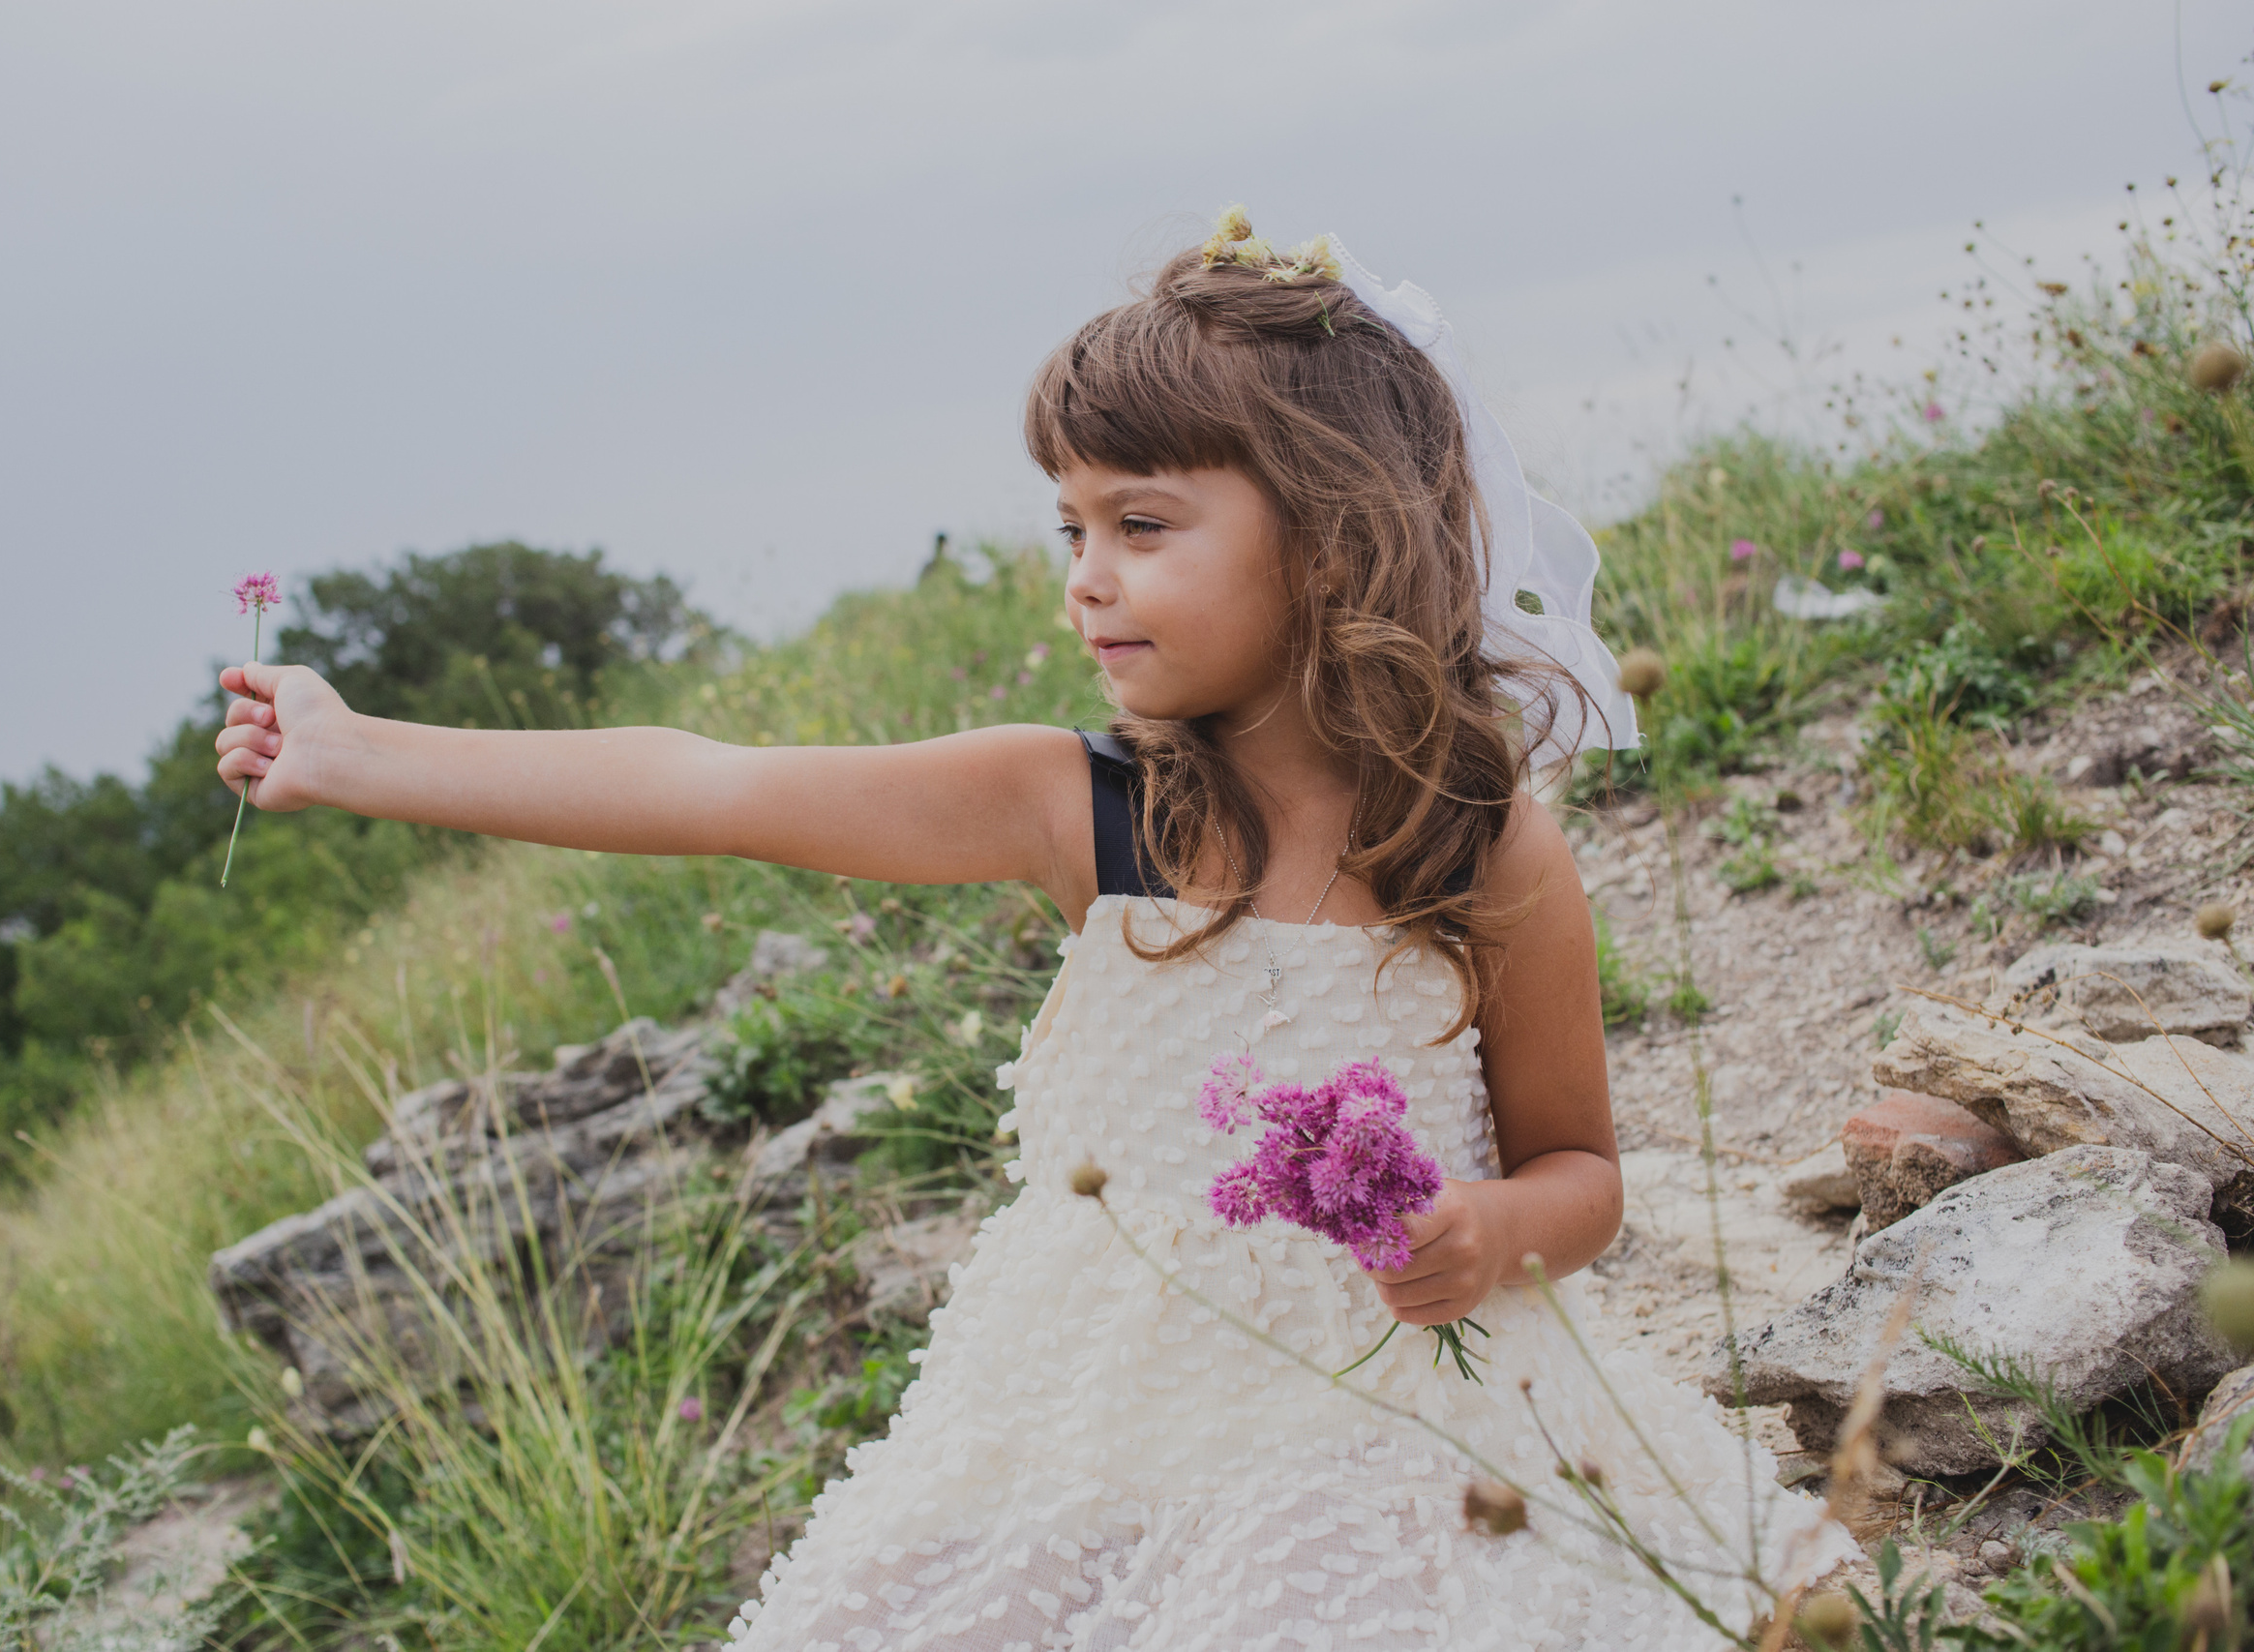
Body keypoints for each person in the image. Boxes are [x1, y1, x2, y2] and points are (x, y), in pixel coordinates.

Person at [216, 212, 1849, 1649]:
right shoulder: (1074, 807)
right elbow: (713, 782)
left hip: (1388, 1418)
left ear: (1333, 533)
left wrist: (1488, 1232)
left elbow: (1584, 1173)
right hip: (1086, 1415)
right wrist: (365, 755)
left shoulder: (1479, 849)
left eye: (1142, 526)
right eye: (1071, 527)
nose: (1085, 577)